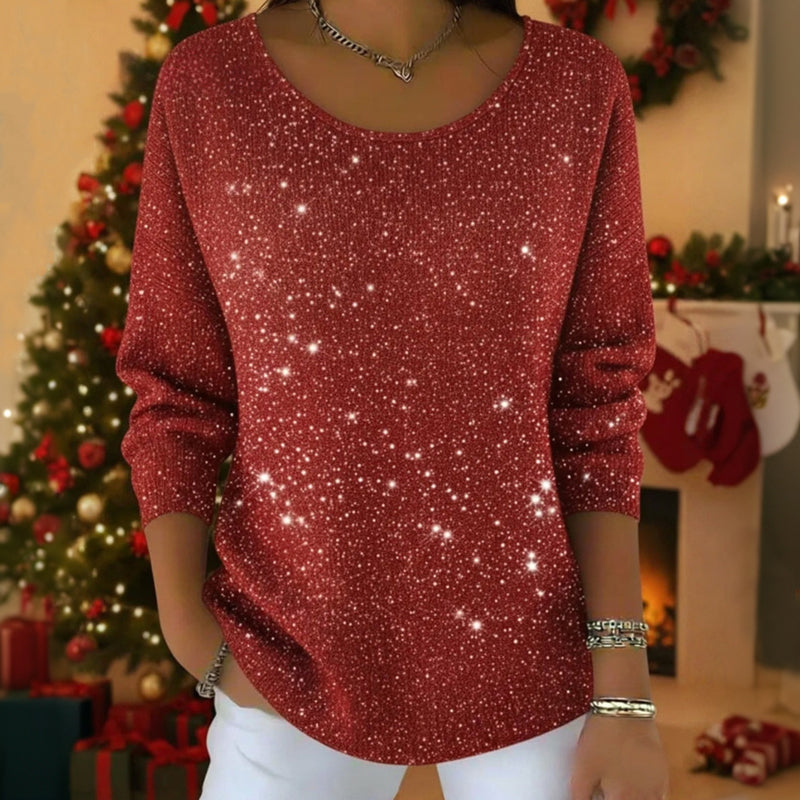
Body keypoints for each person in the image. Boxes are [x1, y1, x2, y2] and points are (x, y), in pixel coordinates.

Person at [114, 0, 671, 798]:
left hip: (537, 669)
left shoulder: (576, 88)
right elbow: (175, 387)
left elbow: (596, 401)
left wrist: (624, 695)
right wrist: (191, 634)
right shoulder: (210, 84)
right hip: (285, 662)